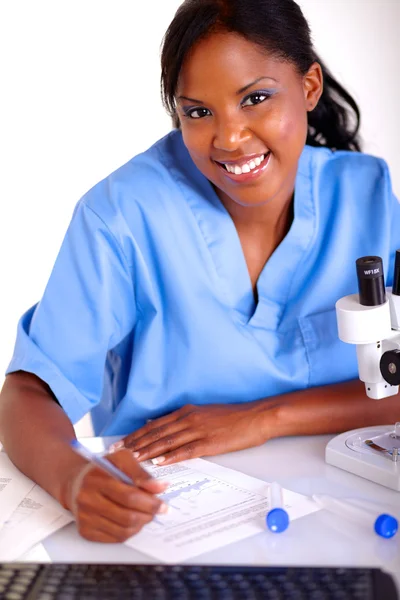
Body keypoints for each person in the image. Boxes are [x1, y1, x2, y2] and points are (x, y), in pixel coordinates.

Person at [1, 0, 400, 544]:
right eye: (198, 112)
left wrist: (262, 417)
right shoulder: (123, 215)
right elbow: (28, 393)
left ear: (308, 87)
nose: (229, 138)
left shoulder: (369, 196)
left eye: (256, 98)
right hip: (168, 517)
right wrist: (73, 479)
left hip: (348, 505)